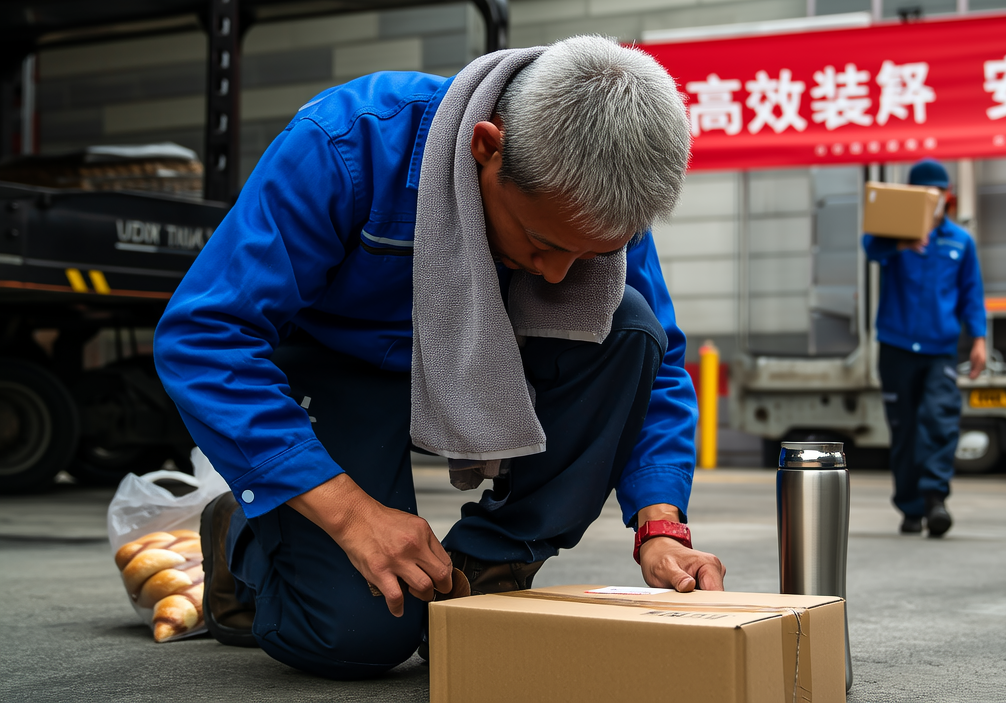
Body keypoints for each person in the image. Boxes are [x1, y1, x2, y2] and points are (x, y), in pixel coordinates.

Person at [153, 36, 726, 679]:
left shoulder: (603, 204)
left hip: (499, 355)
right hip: (340, 367)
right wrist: (350, 513)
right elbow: (204, 335)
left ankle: (491, 560)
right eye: (540, 241)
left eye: (587, 255)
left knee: (628, 326)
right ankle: (245, 530)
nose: (558, 275)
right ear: (487, 148)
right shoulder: (351, 141)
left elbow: (657, 367)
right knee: (354, 639)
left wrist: (660, 527)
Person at [863, 159, 988, 538]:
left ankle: (935, 500)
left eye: (938, 192)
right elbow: (870, 248)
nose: (933, 199)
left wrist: (979, 338)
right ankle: (910, 506)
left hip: (940, 349)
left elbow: (971, 292)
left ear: (947, 195)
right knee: (903, 429)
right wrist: (900, 243)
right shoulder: (893, 234)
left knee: (939, 420)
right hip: (897, 345)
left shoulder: (960, 241)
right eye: (925, 192)